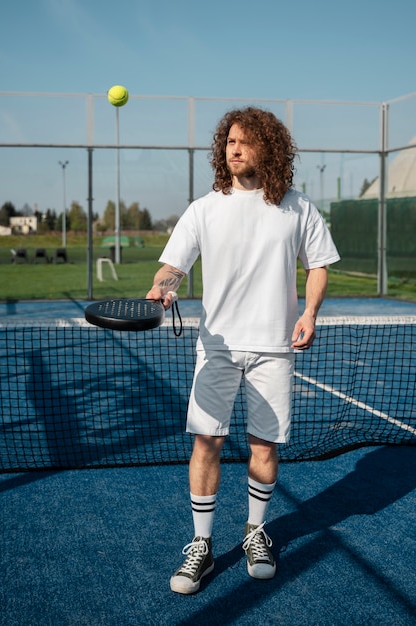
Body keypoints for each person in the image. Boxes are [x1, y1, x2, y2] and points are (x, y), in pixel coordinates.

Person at [146, 106, 340, 595]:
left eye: (245, 141)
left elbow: (318, 265)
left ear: (267, 149)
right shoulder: (204, 208)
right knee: (206, 443)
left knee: (264, 445)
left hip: (275, 348)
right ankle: (202, 545)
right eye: (229, 141)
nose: (234, 149)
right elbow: (172, 266)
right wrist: (164, 287)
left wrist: (310, 313)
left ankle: (256, 531)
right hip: (216, 348)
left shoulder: (298, 207)